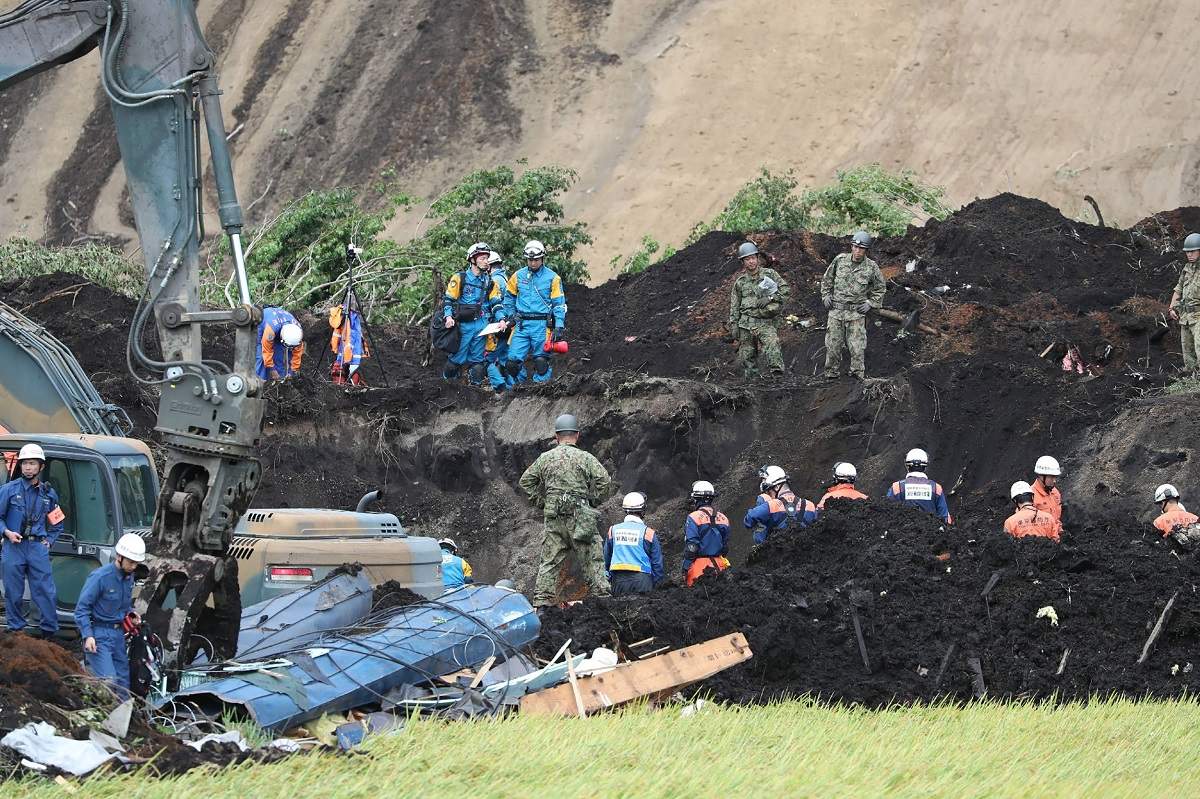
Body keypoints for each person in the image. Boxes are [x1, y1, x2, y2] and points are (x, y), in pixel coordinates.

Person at [518, 414, 613, 607]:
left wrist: (542, 502)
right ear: (577, 435)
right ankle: (603, 604)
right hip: (581, 517)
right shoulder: (586, 458)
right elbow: (605, 482)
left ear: (556, 436)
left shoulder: (545, 458)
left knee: (550, 562)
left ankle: (542, 606)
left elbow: (525, 481)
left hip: (554, 517)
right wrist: (593, 501)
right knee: (592, 560)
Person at [0, 444, 63, 636]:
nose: (28, 467)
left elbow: (57, 522)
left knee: (45, 592)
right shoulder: (8, 490)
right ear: (20, 465)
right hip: (14, 546)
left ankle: (49, 635)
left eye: (32, 463)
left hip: (37, 547)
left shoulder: (49, 494)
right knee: (13, 592)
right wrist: (7, 533)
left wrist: (49, 541)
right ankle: (16, 633)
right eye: (25, 463)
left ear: (41, 467)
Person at [75, 533, 145, 697]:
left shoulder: (129, 578)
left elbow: (124, 605)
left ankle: (124, 720)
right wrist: (88, 636)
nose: (134, 566)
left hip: (118, 635)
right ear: (119, 557)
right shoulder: (100, 577)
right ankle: (101, 714)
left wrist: (131, 614)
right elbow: (82, 609)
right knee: (108, 681)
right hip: (99, 635)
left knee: (123, 684)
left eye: (136, 563)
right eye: (131, 562)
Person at [820, 230, 886, 380]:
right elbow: (827, 279)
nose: (857, 251)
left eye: (861, 248)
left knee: (857, 347)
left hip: (856, 314)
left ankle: (857, 376)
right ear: (851, 247)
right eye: (855, 247)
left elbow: (880, 288)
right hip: (836, 312)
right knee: (833, 346)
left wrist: (870, 303)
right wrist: (826, 296)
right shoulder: (840, 260)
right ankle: (831, 375)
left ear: (866, 250)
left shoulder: (871, 267)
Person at [503, 240, 567, 384]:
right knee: (512, 363)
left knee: (541, 361)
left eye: (536, 259)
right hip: (521, 325)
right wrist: (511, 315)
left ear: (542, 258)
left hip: (542, 326)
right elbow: (508, 298)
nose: (533, 263)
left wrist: (559, 326)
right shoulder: (517, 276)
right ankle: (518, 388)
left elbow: (559, 304)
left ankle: (540, 391)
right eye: (530, 260)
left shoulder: (553, 278)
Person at [443, 243, 504, 385]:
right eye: (482, 258)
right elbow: (449, 300)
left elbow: (496, 303)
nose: (486, 261)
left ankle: (474, 394)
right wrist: (448, 316)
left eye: (487, 258)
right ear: (472, 260)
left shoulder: (490, 282)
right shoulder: (460, 278)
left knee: (477, 364)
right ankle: (445, 388)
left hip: (482, 326)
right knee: (454, 362)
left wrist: (501, 319)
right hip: (463, 326)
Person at [728, 242, 790, 378]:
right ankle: (753, 386)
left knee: (773, 347)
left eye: (753, 258)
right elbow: (734, 306)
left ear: (757, 258)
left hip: (765, 322)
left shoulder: (770, 274)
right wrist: (734, 326)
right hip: (745, 324)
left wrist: (771, 298)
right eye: (747, 259)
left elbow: (785, 290)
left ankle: (779, 380)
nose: (751, 261)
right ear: (743, 262)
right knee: (747, 356)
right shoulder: (740, 282)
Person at [602, 492, 664, 595]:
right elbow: (657, 564)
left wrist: (608, 576)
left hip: (618, 580)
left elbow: (606, 559)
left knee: (620, 610)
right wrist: (656, 585)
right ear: (643, 510)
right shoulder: (648, 533)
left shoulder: (613, 530)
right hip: (642, 580)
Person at [744, 465, 818, 544]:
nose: (769, 494)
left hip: (779, 552)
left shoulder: (772, 505)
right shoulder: (810, 505)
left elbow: (748, 520)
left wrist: (762, 505)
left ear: (776, 487)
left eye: (769, 491)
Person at [485, 251, 523, 393]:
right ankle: (515, 386)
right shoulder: (505, 278)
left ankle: (503, 387)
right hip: (507, 324)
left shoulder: (495, 281)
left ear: (489, 266)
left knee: (488, 359)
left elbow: (496, 304)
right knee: (505, 357)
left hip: (498, 325)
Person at [682, 480, 731, 587]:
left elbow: (692, 546)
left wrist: (685, 567)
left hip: (700, 568)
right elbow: (725, 547)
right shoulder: (723, 518)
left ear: (696, 498)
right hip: (720, 566)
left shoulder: (693, 517)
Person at [886, 448, 952, 523]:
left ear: (907, 466)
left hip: (902, 532)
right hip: (930, 532)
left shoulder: (897, 487)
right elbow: (945, 518)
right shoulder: (936, 488)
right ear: (925, 466)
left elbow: (886, 514)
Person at [1168, 232, 1200, 377]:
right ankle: (1192, 380)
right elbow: (1178, 290)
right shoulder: (1187, 269)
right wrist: (1172, 307)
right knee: (1188, 354)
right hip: (1186, 316)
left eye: (1192, 251)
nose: (1189, 254)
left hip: (1199, 316)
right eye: (1187, 252)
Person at [256, 307, 304, 381]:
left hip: (281, 326)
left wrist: (293, 371)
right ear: (282, 337)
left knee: (279, 354)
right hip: (263, 323)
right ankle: (259, 380)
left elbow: (297, 354)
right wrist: (272, 369)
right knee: (261, 356)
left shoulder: (298, 334)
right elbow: (267, 350)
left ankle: (280, 379)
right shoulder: (270, 331)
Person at [329, 299, 369, 386]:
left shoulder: (339, 315)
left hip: (344, 350)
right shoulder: (349, 318)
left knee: (342, 365)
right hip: (348, 351)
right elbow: (352, 338)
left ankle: (344, 380)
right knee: (346, 366)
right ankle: (348, 381)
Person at [1031, 455, 1063, 522]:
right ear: (1041, 476)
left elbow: (1057, 520)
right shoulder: (1030, 496)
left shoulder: (1055, 492)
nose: (1054, 481)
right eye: (1051, 477)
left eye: (1055, 477)